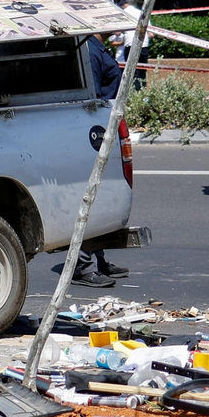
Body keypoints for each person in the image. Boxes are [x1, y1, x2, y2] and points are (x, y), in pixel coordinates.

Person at [72, 34, 130, 287]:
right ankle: (83, 266)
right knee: (89, 198)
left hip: (102, 126)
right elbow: (91, 99)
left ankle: (97, 260)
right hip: (93, 131)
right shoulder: (88, 49)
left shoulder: (96, 46)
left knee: (100, 197)